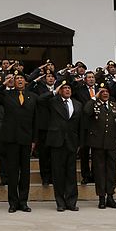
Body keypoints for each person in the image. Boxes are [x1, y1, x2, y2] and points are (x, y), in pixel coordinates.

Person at [0, 69, 38, 213]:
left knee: (25, 173)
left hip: (26, 139)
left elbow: (36, 119)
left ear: (26, 81)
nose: (20, 81)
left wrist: (34, 139)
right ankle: (13, 202)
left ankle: (23, 202)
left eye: (22, 79)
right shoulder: (6, 94)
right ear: (14, 82)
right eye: (17, 79)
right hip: (10, 139)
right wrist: (4, 83)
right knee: (12, 172)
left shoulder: (33, 96)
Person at [38, 77, 82, 211]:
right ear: (60, 90)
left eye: (69, 88)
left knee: (71, 174)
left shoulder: (77, 104)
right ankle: (60, 202)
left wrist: (79, 142)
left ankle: (71, 202)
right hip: (57, 142)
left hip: (72, 142)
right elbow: (40, 100)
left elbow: (79, 124)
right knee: (58, 173)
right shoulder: (53, 102)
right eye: (64, 88)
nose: (67, 90)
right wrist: (54, 92)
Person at [84, 82, 116, 209]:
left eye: (106, 92)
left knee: (111, 171)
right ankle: (101, 198)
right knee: (99, 171)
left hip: (111, 143)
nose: (105, 94)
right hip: (97, 143)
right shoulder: (93, 105)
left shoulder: (114, 106)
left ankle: (110, 196)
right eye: (102, 92)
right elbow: (86, 111)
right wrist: (94, 97)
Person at [73, 71, 97, 185]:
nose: (91, 79)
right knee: (85, 152)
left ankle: (95, 174)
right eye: (89, 77)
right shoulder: (80, 90)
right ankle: (86, 175)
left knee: (97, 152)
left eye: (93, 77)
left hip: (98, 124)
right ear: (85, 79)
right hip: (85, 124)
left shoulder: (101, 90)